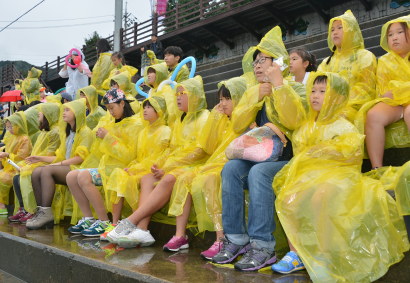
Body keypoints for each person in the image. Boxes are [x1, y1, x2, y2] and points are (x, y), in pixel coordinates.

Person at [271, 72, 409, 282]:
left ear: (338, 97)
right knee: (289, 198)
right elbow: (302, 154)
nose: (315, 96)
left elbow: (352, 156)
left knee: (320, 197)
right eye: (313, 91)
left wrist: (325, 154)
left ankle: (324, 255)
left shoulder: (343, 125)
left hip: (339, 175)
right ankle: (296, 253)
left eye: (323, 92)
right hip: (312, 175)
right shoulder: (305, 125)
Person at [210, 26, 307, 271]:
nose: (257, 66)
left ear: (279, 62)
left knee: (259, 173)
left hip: (289, 159)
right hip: (260, 157)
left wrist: (279, 87)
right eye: (255, 62)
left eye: (263, 60)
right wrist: (255, 99)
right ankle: (236, 240)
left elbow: (295, 121)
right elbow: (238, 126)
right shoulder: (255, 91)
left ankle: (263, 246)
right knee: (231, 168)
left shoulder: (295, 88)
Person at [107, 76, 210, 248]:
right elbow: (172, 150)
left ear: (195, 95)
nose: (178, 97)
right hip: (177, 165)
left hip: (196, 165)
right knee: (148, 178)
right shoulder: (179, 121)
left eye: (183, 93)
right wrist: (160, 167)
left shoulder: (204, 116)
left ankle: (131, 221)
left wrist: (168, 167)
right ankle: (143, 229)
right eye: (177, 93)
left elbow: (199, 151)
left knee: (169, 178)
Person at [166, 77, 247, 259]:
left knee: (208, 179)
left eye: (228, 98)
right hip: (214, 163)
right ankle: (180, 235)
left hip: (232, 165)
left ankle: (221, 238)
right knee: (185, 178)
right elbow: (210, 147)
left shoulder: (245, 120)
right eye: (220, 99)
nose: (223, 103)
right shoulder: (221, 118)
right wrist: (214, 119)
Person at [65, 88, 142, 237]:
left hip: (121, 169)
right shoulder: (112, 125)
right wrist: (100, 138)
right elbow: (101, 152)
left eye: (112, 108)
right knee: (71, 176)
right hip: (106, 167)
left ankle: (104, 221)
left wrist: (108, 138)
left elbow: (129, 156)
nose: (110, 112)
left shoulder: (136, 125)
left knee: (83, 177)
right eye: (108, 109)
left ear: (122, 104)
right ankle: (88, 217)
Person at [25, 99, 94, 230]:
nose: (64, 113)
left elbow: (80, 158)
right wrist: (39, 158)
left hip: (80, 168)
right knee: (36, 171)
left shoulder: (85, 132)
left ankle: (45, 212)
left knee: (47, 171)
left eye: (67, 110)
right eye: (63, 110)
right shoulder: (67, 133)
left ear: (78, 112)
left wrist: (59, 164)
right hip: (67, 166)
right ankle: (42, 212)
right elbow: (60, 156)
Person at [355, 15, 410, 169]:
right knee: (373, 115)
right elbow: (385, 91)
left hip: (401, 99)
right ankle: (377, 168)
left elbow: (394, 91)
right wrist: (401, 92)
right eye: (390, 34)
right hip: (396, 102)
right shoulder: (385, 60)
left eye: (399, 32)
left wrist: (399, 90)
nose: (394, 37)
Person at [106, 96, 170, 227]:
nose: (145, 110)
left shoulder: (165, 131)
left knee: (130, 179)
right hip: (140, 168)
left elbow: (158, 157)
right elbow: (139, 157)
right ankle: (114, 223)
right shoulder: (143, 132)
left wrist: (135, 169)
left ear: (159, 110)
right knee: (118, 174)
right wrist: (131, 166)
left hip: (151, 170)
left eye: (149, 107)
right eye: (144, 107)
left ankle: (137, 224)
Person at [317, 10, 376, 122]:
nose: (335, 32)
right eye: (332, 29)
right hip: (328, 106)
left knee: (336, 120)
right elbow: (317, 85)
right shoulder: (326, 62)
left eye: (340, 28)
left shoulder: (365, 56)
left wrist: (339, 103)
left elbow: (365, 88)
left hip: (355, 107)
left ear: (352, 31)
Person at [9, 102, 61, 223]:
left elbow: (50, 155)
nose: (38, 114)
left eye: (41, 112)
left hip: (46, 163)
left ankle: (33, 210)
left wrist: (30, 164)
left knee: (26, 173)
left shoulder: (55, 132)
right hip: (39, 161)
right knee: (16, 177)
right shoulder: (43, 131)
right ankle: (24, 209)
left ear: (48, 114)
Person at [0, 112, 32, 216]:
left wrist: (6, 154)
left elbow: (22, 157)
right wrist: (2, 156)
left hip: (17, 170)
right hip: (9, 169)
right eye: (8, 127)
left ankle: (2, 207)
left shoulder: (24, 139)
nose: (10, 130)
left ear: (19, 125)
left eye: (12, 127)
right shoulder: (12, 138)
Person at [144, 62, 177, 127]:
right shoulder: (153, 90)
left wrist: (167, 126)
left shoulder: (165, 88)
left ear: (159, 74)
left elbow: (171, 109)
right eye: (148, 73)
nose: (148, 75)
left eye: (151, 72)